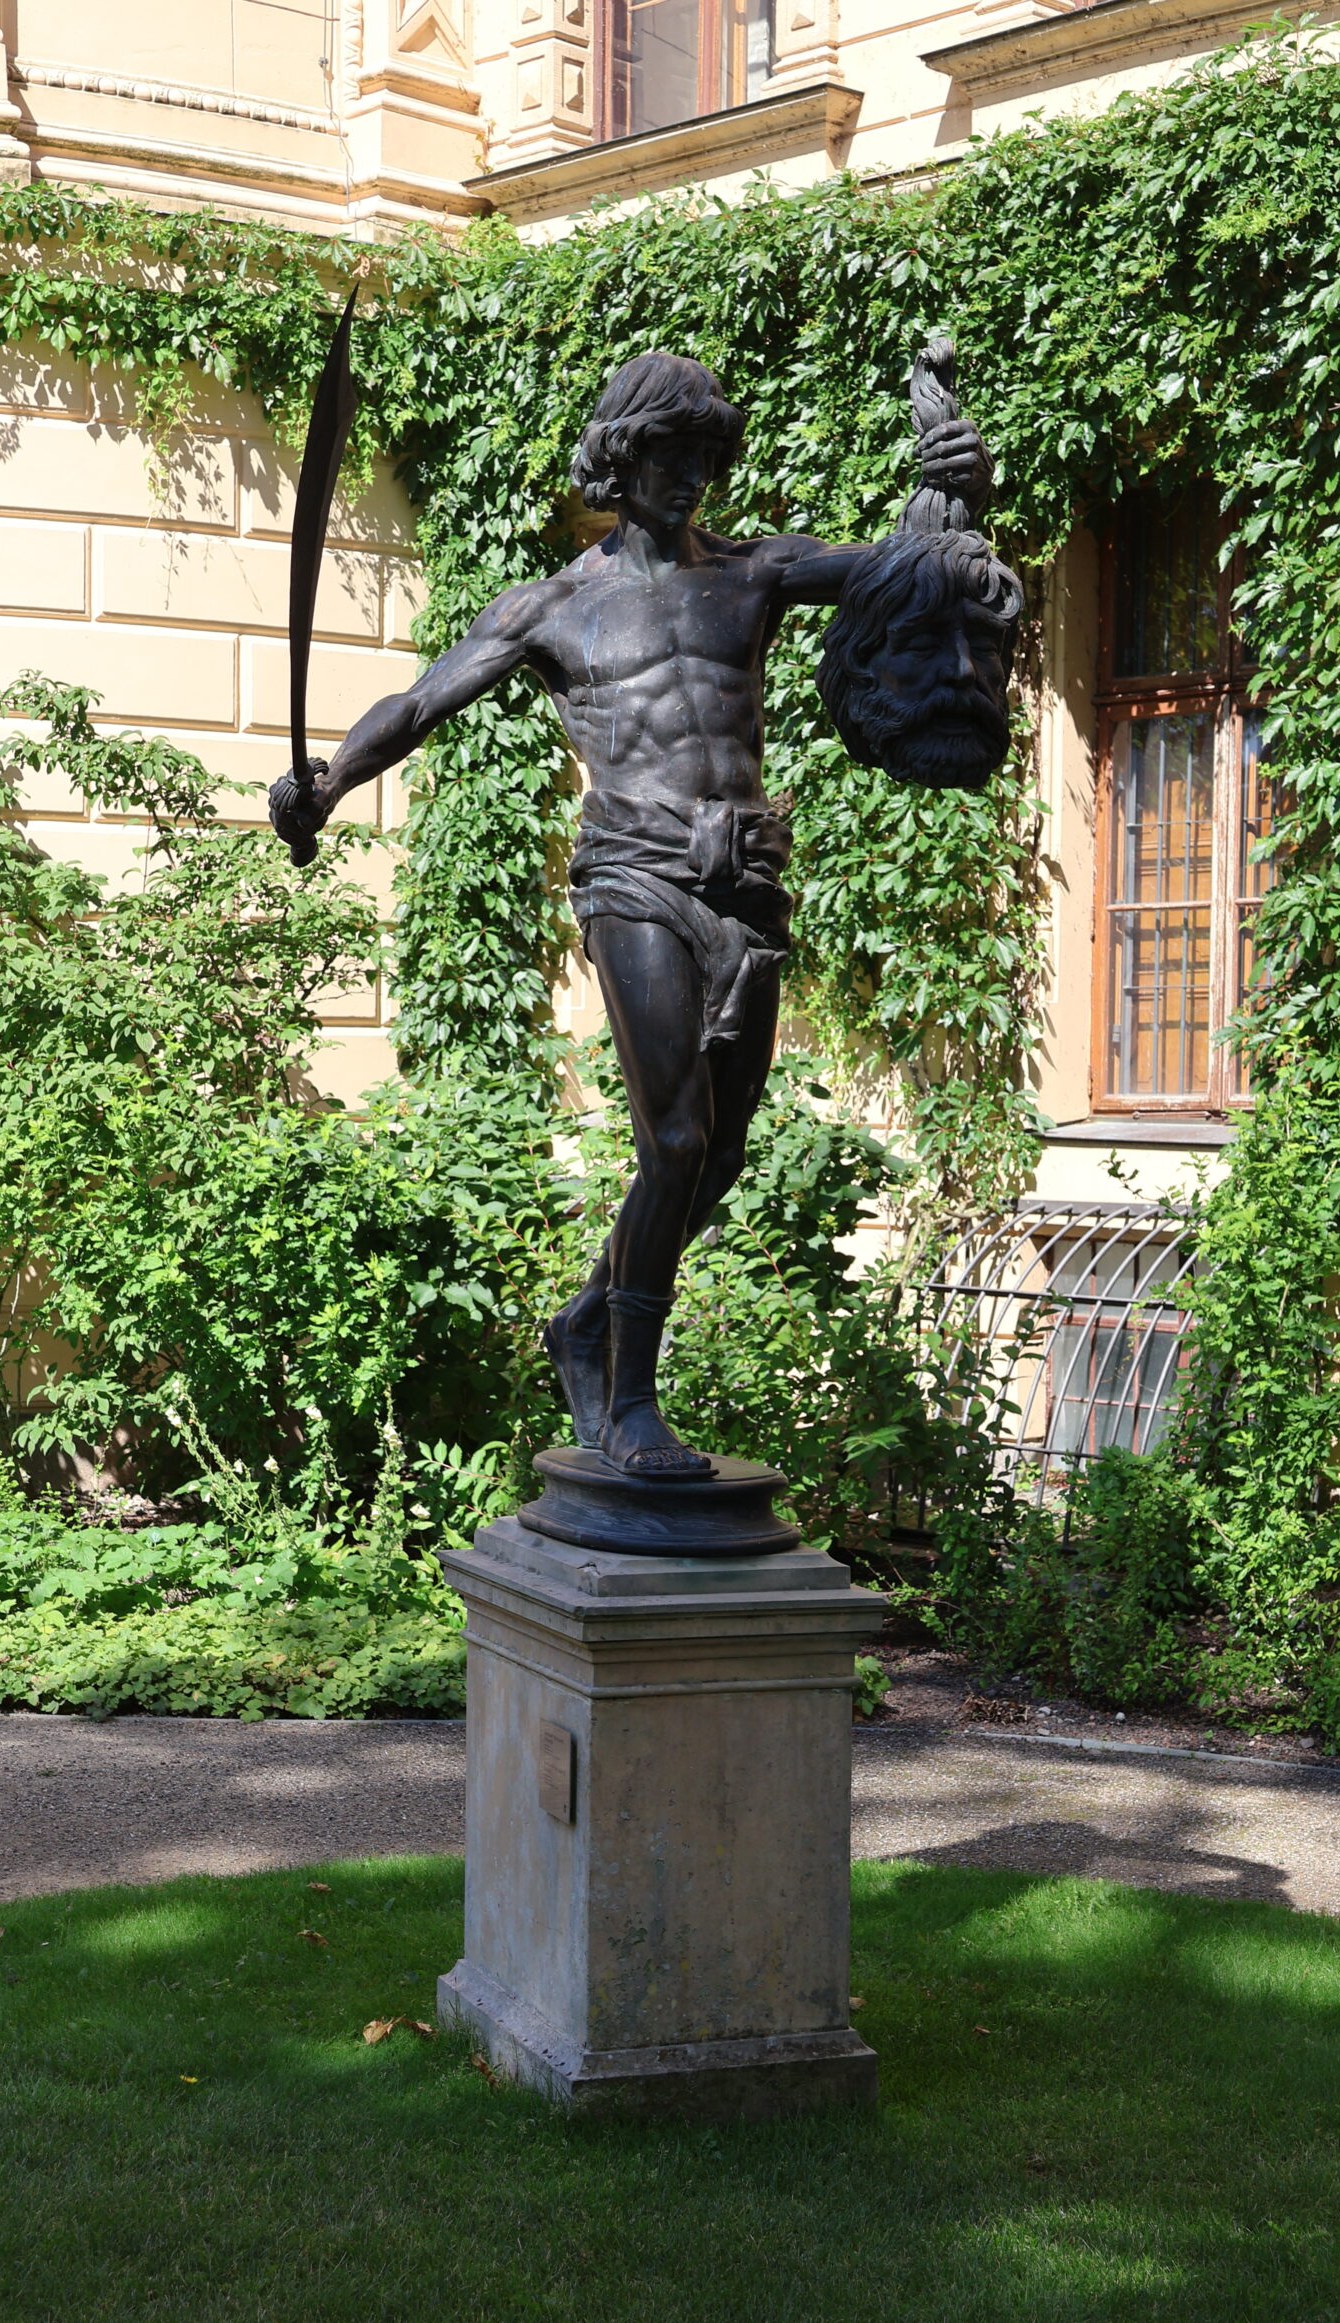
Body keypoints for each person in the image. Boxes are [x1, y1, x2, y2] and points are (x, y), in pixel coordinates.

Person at [270, 351, 1000, 1479]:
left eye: (706, 457)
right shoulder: (557, 607)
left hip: (746, 877)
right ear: (622, 456)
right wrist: (329, 782)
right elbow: (418, 699)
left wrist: (960, 482)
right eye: (669, 454)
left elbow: (906, 568)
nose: (691, 476)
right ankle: (628, 1398)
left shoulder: (756, 574)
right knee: (673, 1138)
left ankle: (584, 1323)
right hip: (635, 874)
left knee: (720, 1159)